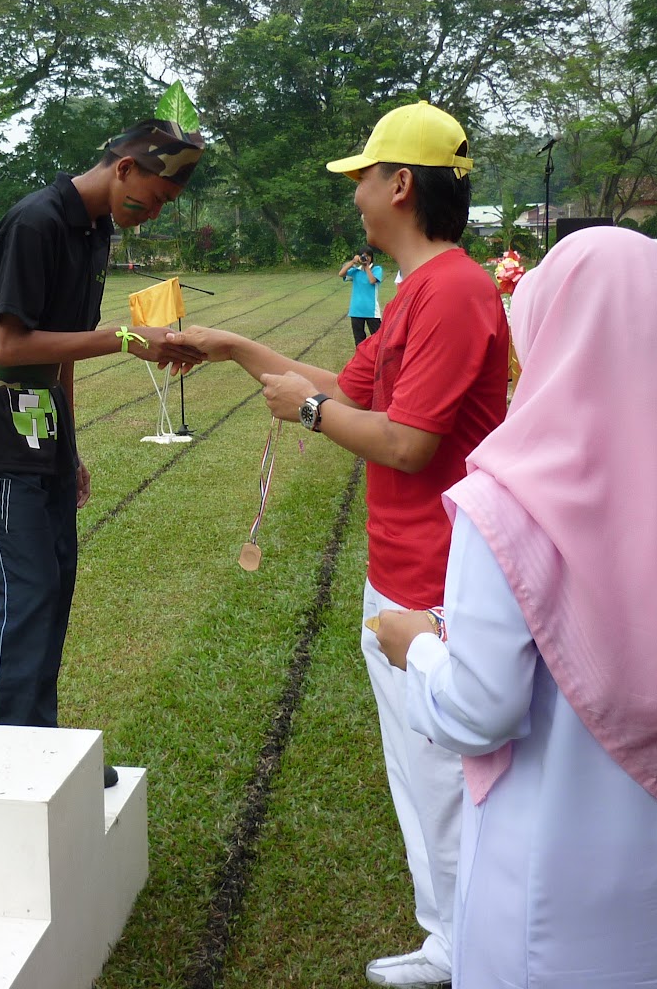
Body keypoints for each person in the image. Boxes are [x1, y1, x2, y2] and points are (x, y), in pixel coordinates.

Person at [374, 227, 657, 989]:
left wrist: (415, 647)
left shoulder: (508, 498)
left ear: (549, 333)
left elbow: (478, 711)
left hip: (551, 907)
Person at [177, 101, 508, 988]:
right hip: (403, 566)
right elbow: (347, 386)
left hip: (440, 577)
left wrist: (314, 415)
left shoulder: (451, 291)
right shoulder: (415, 293)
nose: (355, 193)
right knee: (421, 772)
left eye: (363, 176)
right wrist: (234, 347)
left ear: (401, 185)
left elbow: (406, 441)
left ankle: (467, 947)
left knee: (445, 775)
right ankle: (452, 935)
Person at [0, 115, 205, 780]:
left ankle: (39, 755)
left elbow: (60, 349)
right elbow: (11, 346)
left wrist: (70, 444)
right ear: (124, 167)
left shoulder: (94, 233)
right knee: (25, 594)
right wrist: (124, 339)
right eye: (153, 197)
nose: (152, 213)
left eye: (165, 207)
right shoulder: (35, 222)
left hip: (42, 430)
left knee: (53, 591)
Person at [339, 247, 383, 346]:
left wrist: (366, 267)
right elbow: (341, 274)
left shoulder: (376, 269)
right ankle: (361, 359)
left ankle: (378, 358)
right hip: (356, 311)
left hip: (371, 311)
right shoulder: (355, 271)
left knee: (378, 337)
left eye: (368, 256)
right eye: (363, 256)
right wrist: (352, 262)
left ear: (371, 258)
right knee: (359, 339)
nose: (365, 258)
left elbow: (372, 281)